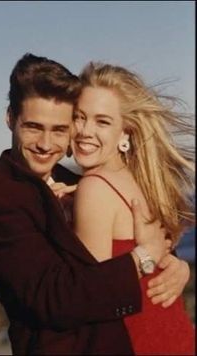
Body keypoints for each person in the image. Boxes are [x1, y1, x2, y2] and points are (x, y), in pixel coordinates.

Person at [0, 53, 190, 355]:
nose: (46, 144)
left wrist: (176, 265)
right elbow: (58, 300)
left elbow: (136, 241)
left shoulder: (81, 184)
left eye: (60, 129)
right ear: (10, 119)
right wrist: (145, 258)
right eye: (33, 126)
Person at [68, 61, 195, 355]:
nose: (85, 131)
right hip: (178, 339)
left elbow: (95, 300)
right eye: (79, 117)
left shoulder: (94, 188)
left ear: (125, 132)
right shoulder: (145, 182)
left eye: (102, 121)